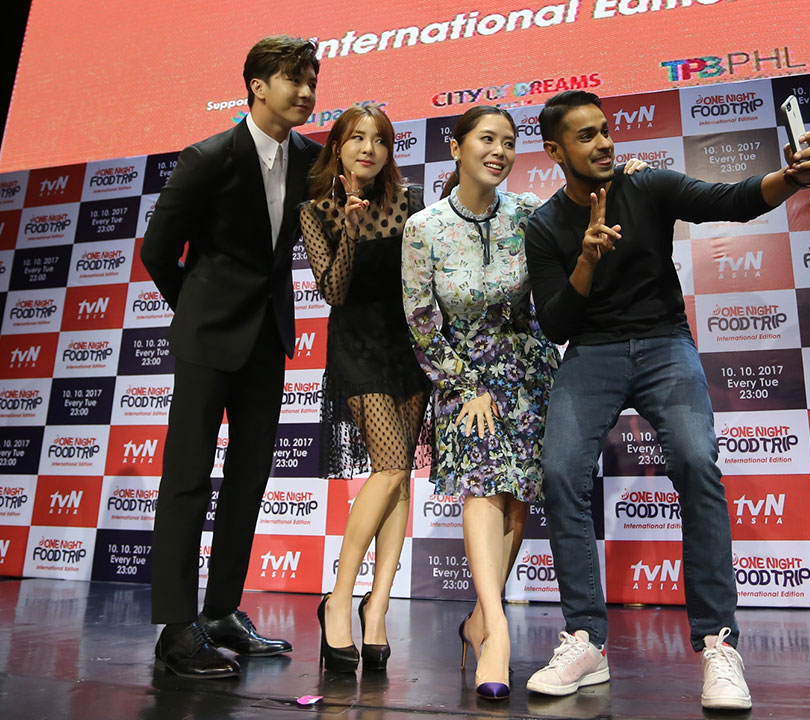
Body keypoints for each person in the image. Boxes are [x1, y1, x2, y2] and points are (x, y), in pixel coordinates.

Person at [522, 90, 810, 710]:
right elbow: (555, 325)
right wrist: (586, 259)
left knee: (695, 461)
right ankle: (586, 640)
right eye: (585, 136)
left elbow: (732, 201)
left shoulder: (648, 185)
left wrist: (791, 177)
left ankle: (718, 643)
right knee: (559, 473)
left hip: (664, 342)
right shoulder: (544, 225)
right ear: (555, 151)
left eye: (605, 130)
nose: (604, 143)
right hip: (593, 350)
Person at [141, 36, 321, 679]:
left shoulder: (313, 159)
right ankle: (175, 629)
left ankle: (220, 612)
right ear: (256, 86)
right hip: (206, 338)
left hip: (268, 339)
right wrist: (196, 309)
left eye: (312, 80)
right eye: (293, 79)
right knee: (187, 479)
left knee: (248, 480)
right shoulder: (209, 156)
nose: (306, 92)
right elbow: (158, 251)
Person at [400, 106, 559, 700]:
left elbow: (582, 215)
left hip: (530, 369)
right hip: (464, 376)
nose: (499, 151)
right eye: (487, 139)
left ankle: (476, 620)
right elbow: (421, 321)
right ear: (456, 146)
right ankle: (498, 636)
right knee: (484, 484)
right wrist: (465, 386)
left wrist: (628, 175)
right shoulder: (425, 227)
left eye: (509, 142)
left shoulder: (529, 212)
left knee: (517, 501)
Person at [300, 106, 431, 673]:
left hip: (408, 349)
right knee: (391, 467)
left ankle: (376, 608)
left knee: (398, 478)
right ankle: (338, 599)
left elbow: (425, 277)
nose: (368, 149)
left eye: (379, 140)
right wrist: (350, 230)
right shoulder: (316, 210)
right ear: (338, 146)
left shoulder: (410, 201)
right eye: (357, 138)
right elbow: (333, 290)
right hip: (356, 348)